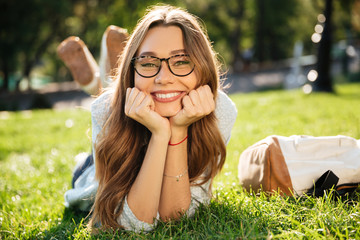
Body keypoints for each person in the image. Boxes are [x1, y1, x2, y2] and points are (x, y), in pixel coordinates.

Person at [61, 5, 237, 233]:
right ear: (132, 72)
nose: (164, 78)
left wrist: (177, 131)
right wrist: (160, 133)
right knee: (108, 102)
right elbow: (129, 225)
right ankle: (103, 82)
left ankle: (102, 79)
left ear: (202, 67)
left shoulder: (219, 110)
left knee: (113, 91)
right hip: (89, 171)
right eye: (148, 63)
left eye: (181, 61)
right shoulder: (104, 111)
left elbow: (175, 216)